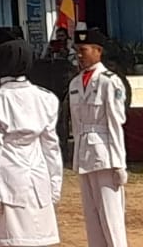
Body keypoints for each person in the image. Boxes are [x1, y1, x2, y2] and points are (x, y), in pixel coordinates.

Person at [0, 34, 61, 247]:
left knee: (11, 239)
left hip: (9, 176)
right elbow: (51, 147)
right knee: (40, 238)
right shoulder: (47, 98)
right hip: (39, 174)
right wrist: (55, 183)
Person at [68, 28, 128, 247]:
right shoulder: (75, 84)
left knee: (112, 220)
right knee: (92, 222)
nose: (79, 55)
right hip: (84, 156)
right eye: (77, 50)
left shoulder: (109, 81)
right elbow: (75, 125)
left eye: (83, 50)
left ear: (98, 50)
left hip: (105, 155)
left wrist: (119, 163)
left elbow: (115, 123)